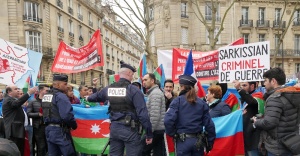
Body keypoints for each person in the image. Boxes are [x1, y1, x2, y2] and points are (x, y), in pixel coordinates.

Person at [87, 61, 153, 156]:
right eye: (132, 75)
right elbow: (142, 114)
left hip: (115, 129)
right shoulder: (134, 90)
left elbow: (93, 98)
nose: (132, 77)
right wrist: (149, 133)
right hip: (130, 129)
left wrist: (88, 97)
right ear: (129, 74)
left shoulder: (109, 88)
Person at [164, 75, 216, 156]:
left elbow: (168, 120)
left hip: (183, 141)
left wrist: (173, 133)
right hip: (198, 142)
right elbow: (210, 125)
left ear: (182, 87)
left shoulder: (177, 101)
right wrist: (210, 142)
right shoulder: (202, 103)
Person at [253, 67, 299, 156]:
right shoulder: (291, 94)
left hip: (277, 147)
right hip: (291, 143)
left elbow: (269, 123)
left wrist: (256, 122)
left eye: (265, 80)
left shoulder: (275, 98)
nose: (264, 84)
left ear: (273, 81)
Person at [43, 74, 77, 156]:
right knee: (69, 153)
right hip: (60, 131)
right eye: (65, 84)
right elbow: (66, 115)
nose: (66, 86)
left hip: (48, 129)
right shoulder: (61, 96)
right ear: (58, 84)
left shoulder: (46, 95)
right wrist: (74, 125)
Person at [2, 85, 37, 156]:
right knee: (16, 152)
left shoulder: (12, 99)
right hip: (14, 132)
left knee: (20, 151)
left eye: (18, 88)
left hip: (17, 131)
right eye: (15, 89)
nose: (18, 90)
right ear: (9, 92)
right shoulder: (8, 100)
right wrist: (28, 93)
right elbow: (17, 103)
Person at [233, 80, 265, 156]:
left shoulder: (258, 96)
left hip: (253, 138)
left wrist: (239, 89)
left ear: (252, 86)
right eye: (241, 86)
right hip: (244, 136)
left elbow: (252, 102)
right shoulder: (243, 99)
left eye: (244, 85)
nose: (242, 87)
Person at [142, 73, 166, 156]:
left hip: (155, 130)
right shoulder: (153, 93)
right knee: (158, 153)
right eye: (143, 80)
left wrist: (149, 133)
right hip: (157, 130)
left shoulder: (155, 94)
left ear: (152, 81)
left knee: (142, 151)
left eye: (145, 80)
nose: (143, 82)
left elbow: (154, 116)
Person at [27, 85, 49, 156]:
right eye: (46, 90)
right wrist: (38, 114)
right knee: (41, 146)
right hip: (38, 127)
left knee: (49, 146)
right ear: (40, 91)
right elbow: (28, 113)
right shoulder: (32, 101)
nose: (48, 92)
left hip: (49, 126)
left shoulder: (49, 101)